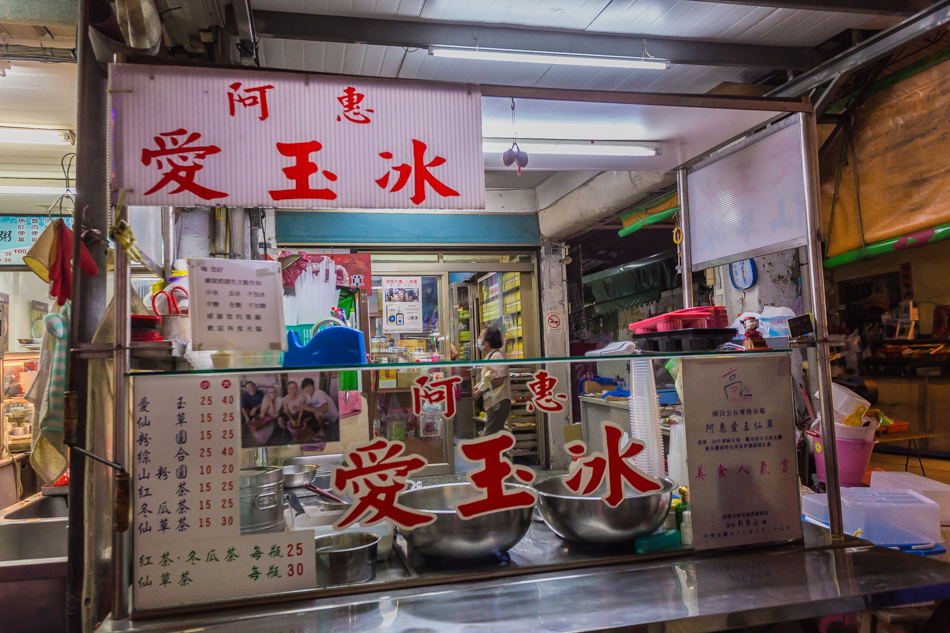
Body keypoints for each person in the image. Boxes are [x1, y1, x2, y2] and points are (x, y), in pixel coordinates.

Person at [472, 326, 511, 436]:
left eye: (481, 336)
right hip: (493, 403)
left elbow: (499, 380)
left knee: (490, 437)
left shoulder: (497, 356)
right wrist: (477, 387)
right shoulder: (490, 356)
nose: (479, 339)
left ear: (487, 341)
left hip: (498, 402)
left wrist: (480, 391)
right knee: (494, 436)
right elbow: (488, 378)